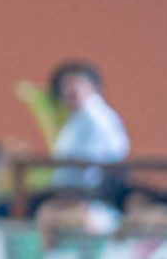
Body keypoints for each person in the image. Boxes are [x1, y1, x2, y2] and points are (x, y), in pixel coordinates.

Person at [47, 61, 127, 192]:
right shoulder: (77, 117)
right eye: (66, 85)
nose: (71, 90)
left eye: (78, 83)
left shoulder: (96, 117)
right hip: (67, 190)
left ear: (93, 86)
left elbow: (93, 160)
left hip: (87, 192)